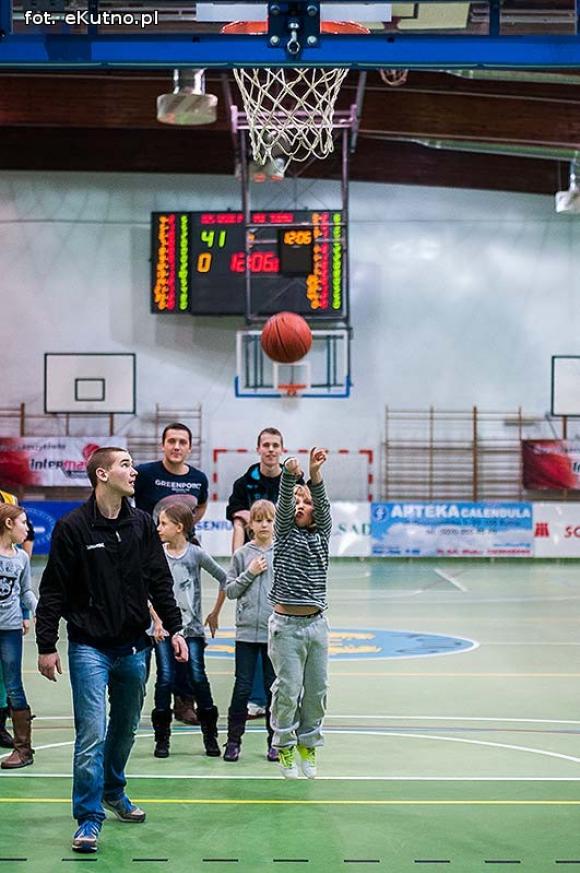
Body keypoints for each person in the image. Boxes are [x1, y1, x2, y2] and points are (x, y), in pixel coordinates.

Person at [35, 447, 187, 855]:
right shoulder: (72, 528)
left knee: (123, 730)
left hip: (135, 647)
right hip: (89, 648)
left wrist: (175, 628)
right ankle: (88, 817)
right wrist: (46, 644)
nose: (133, 471)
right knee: (91, 734)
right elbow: (52, 591)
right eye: (125, 465)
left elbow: (159, 580)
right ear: (102, 474)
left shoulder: (140, 524)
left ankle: (114, 790)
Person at [226, 428, 303, 718]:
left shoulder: (293, 481)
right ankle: (256, 701)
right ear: (258, 448)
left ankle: (288, 697)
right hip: (253, 564)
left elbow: (304, 510)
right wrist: (241, 562)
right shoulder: (243, 483)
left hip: (281, 561)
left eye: (275, 445)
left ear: (282, 449)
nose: (270, 450)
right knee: (256, 638)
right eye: (266, 445)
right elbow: (238, 520)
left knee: (285, 637)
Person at [134, 422, 208, 726]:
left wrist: (184, 530)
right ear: (163, 445)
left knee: (184, 624)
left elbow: (200, 507)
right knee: (150, 625)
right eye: (171, 441)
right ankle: (142, 693)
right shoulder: (146, 474)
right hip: (149, 554)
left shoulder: (198, 479)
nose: (177, 446)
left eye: (182, 442)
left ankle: (184, 700)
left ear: (189, 447)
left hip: (183, 553)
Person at [268, 447, 331, 780]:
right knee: (288, 690)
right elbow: (282, 508)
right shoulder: (284, 534)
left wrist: (314, 473)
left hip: (316, 625)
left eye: (306, 502)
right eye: (297, 502)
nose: (302, 506)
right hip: (286, 628)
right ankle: (285, 745)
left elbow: (322, 503)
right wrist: (290, 475)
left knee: (317, 692)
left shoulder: (322, 535)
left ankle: (309, 744)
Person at [151, 501, 226, 758]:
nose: (158, 528)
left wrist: (215, 612)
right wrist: (157, 621)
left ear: (179, 527)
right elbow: (144, 588)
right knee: (165, 679)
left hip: (192, 630)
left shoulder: (196, 554)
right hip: (163, 632)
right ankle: (162, 739)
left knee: (198, 678)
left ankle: (210, 737)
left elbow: (224, 578)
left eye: (163, 523)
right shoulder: (156, 553)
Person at [223, 499, 277, 763]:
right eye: (259, 520)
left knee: (272, 689)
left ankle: (274, 742)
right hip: (245, 633)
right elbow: (231, 590)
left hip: (273, 633)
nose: (264, 524)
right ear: (250, 525)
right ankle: (233, 742)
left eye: (269, 519)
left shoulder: (282, 553)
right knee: (242, 687)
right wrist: (250, 572)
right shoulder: (242, 555)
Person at [0, 504, 37, 769]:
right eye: (23, 523)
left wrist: (37, 612)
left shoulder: (21, 557)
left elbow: (25, 591)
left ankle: (23, 749)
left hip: (10, 628)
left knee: (13, 684)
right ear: (9, 524)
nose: (27, 528)